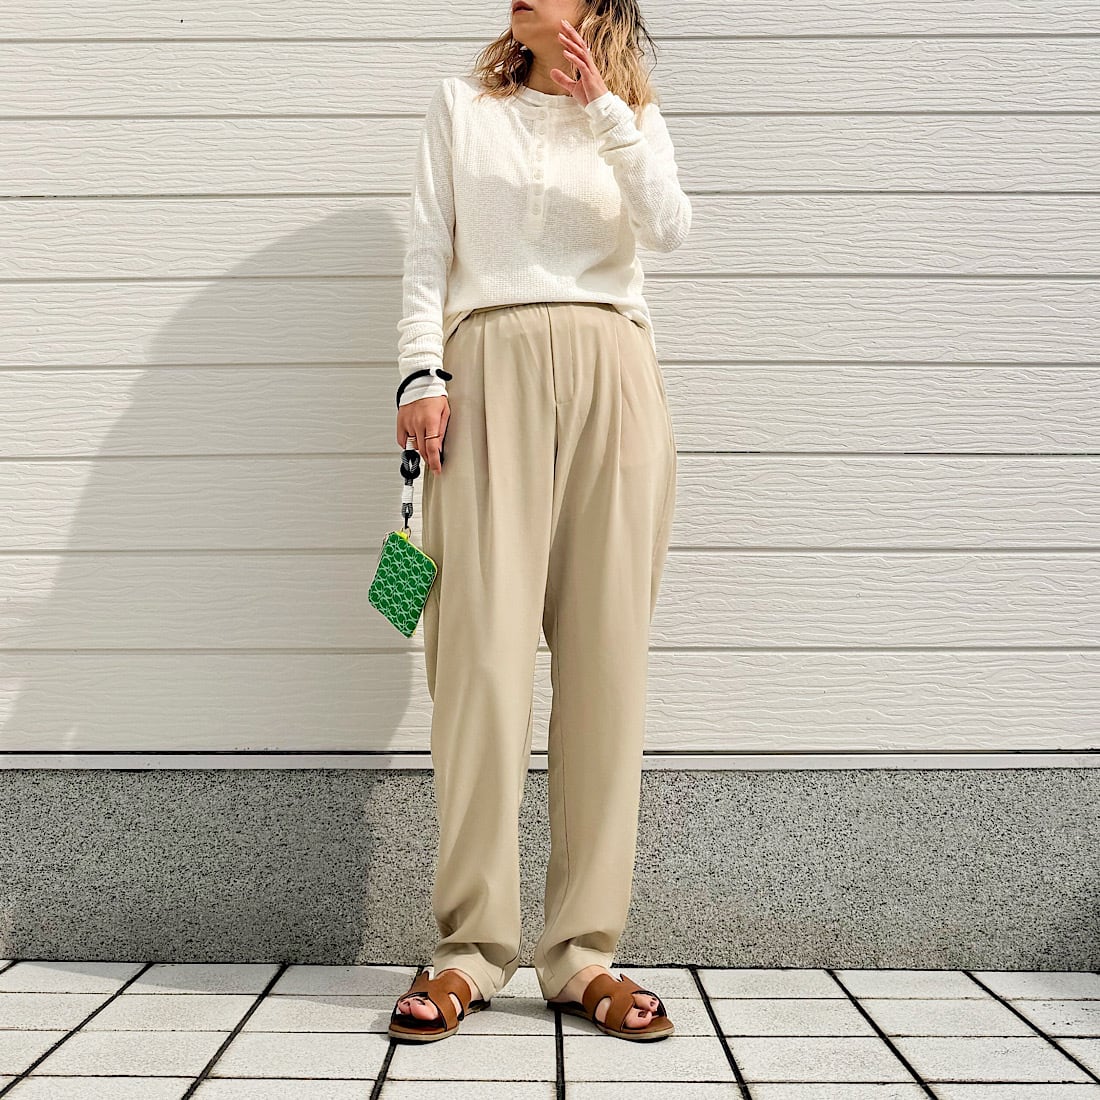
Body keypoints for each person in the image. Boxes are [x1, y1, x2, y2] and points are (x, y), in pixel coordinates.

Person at [388, 0, 691, 1044]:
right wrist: (419, 372)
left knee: (607, 665)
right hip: (484, 378)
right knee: (477, 663)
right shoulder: (460, 106)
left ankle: (582, 954)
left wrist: (604, 107)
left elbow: (670, 226)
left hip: (614, 374)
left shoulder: (630, 115)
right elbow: (426, 250)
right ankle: (470, 948)